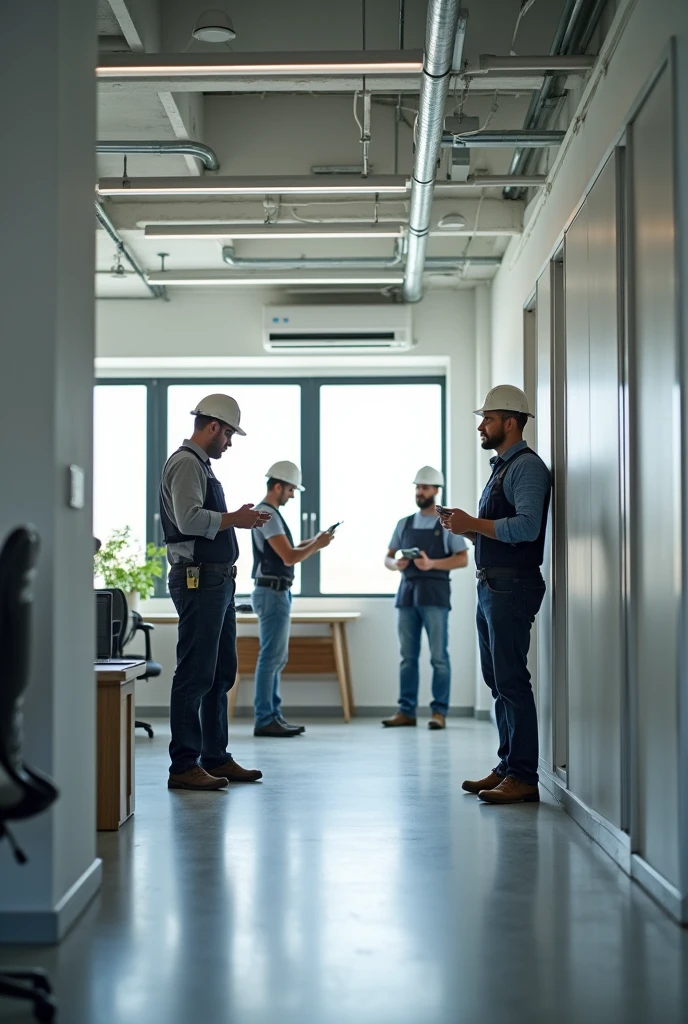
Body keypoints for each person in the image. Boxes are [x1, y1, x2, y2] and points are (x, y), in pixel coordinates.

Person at [439, 386, 551, 804]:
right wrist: (467, 528)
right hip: (493, 583)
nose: (481, 426)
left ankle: (523, 776)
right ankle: (508, 766)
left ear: (510, 422)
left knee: (511, 681)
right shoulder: (502, 467)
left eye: (487, 418)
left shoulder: (526, 468)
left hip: (511, 586)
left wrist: (475, 523)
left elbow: (526, 528)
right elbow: (502, 531)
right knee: (497, 680)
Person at [160, 393, 272, 791]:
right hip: (200, 580)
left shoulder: (202, 467)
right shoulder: (186, 464)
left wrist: (235, 520)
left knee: (220, 673)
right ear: (212, 427)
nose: (229, 441)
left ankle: (215, 757)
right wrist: (234, 519)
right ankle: (184, 765)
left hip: (218, 581)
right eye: (228, 434)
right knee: (195, 673)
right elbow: (189, 519)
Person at [251, 461, 334, 736]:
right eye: (290, 489)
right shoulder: (268, 514)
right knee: (271, 657)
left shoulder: (268, 514)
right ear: (278, 486)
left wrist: (315, 541)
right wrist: (318, 546)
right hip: (272, 592)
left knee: (275, 657)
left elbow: (286, 549)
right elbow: (289, 557)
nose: (293, 495)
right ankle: (265, 718)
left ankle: (272, 715)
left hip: (275, 591)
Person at [382, 466, 469, 730]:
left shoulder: (447, 524)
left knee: (438, 657)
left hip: (435, 596)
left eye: (425, 487)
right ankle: (406, 711)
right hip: (407, 596)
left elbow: (463, 559)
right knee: (407, 657)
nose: (420, 492)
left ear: (436, 491)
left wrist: (432, 565)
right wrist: (394, 564)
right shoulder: (403, 523)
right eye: (417, 487)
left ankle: (439, 712)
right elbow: (387, 557)